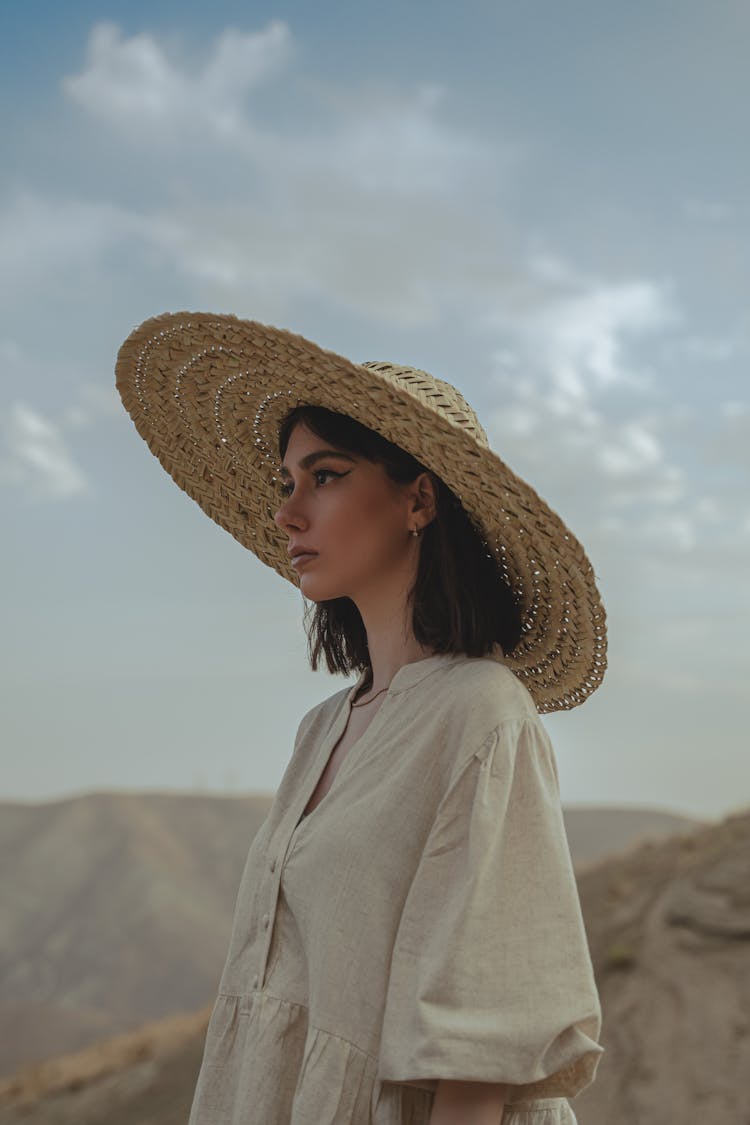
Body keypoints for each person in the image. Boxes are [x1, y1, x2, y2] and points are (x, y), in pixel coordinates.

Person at [115, 311, 608, 1125]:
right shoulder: (323, 728)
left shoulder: (482, 714)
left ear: (418, 499)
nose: (288, 512)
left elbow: (482, 1044)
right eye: (286, 482)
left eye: (327, 474)